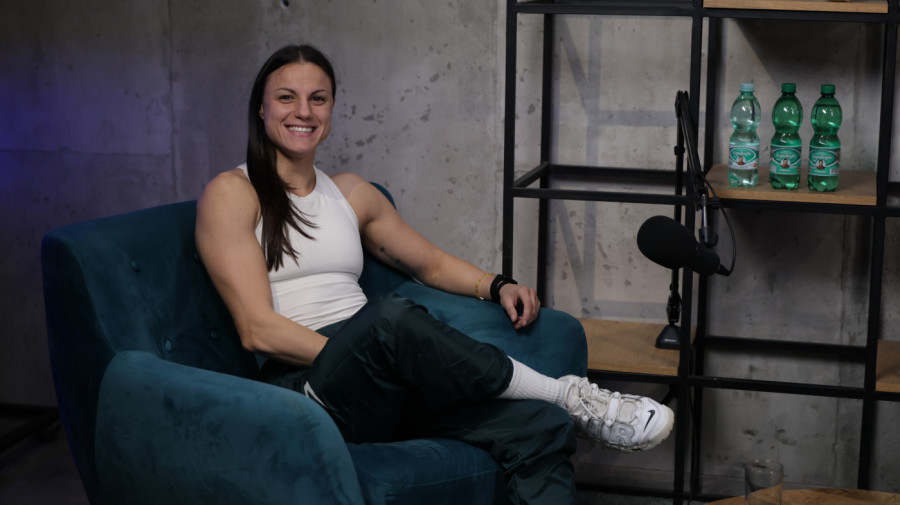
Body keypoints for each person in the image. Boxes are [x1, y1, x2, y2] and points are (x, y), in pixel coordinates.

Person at [195, 44, 674, 505]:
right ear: (261, 107)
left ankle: (558, 408)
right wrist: (375, 356)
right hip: (309, 386)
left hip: (384, 375)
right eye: (287, 97)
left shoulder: (351, 193)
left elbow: (432, 264)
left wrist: (498, 285)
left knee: (541, 427)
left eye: (317, 99)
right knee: (390, 319)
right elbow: (257, 329)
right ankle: (569, 394)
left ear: (332, 109)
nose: (303, 111)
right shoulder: (233, 192)